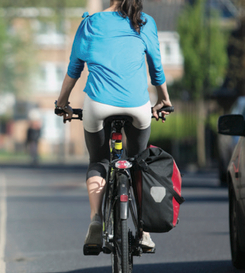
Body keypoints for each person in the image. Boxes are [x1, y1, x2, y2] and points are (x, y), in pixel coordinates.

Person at [55, 0, 173, 253]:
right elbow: (156, 68)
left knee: (98, 160)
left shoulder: (90, 23)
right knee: (140, 162)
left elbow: (75, 67)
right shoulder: (145, 21)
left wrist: (62, 102)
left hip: (97, 104)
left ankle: (96, 219)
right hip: (138, 106)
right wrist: (164, 99)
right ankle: (144, 231)